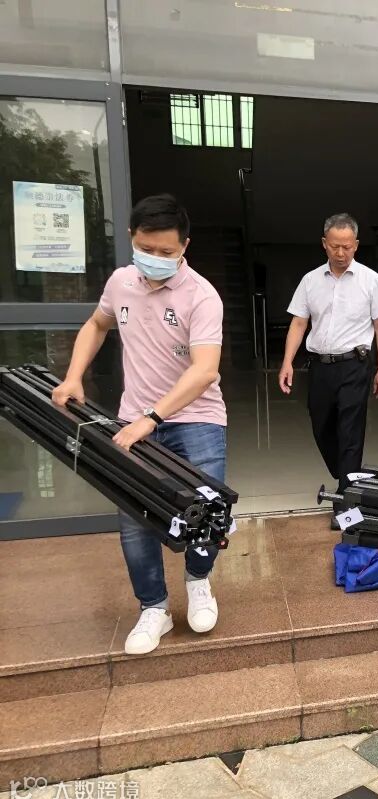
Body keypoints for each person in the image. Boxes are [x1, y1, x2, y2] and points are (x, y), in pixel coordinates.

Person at [51, 194, 227, 655]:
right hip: (134, 417)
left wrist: (152, 418)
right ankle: (154, 608)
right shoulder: (120, 282)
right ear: (132, 238)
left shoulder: (201, 295)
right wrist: (73, 376)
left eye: (166, 252)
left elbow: (204, 370)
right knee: (134, 520)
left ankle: (199, 581)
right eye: (147, 249)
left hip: (196, 418)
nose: (155, 259)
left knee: (206, 512)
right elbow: (96, 325)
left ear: (184, 246)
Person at [278, 214, 378, 516]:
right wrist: (287, 362)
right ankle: (345, 471)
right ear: (324, 244)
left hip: (356, 365)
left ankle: (345, 499)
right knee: (321, 425)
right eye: (334, 247)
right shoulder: (310, 281)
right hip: (320, 366)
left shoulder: (370, 280)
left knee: (351, 430)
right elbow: (299, 323)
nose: (341, 253)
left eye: (347, 247)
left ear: (356, 245)